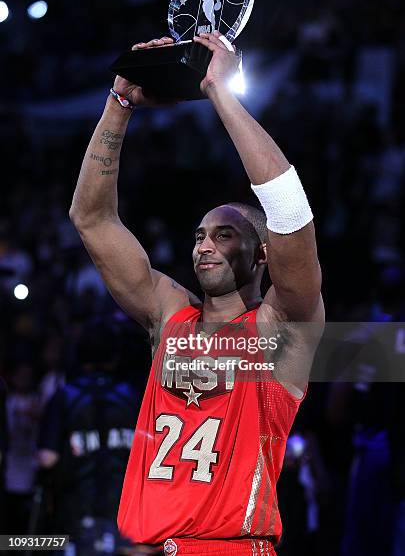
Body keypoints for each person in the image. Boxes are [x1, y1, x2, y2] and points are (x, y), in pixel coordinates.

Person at [69, 31, 324, 555]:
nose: (204, 245)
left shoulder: (280, 330)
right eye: (199, 235)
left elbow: (292, 215)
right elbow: (91, 219)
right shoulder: (170, 316)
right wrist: (119, 103)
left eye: (224, 234)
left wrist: (219, 92)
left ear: (261, 255)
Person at [37, 320, 140, 555]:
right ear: (115, 356)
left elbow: (47, 458)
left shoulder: (65, 397)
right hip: (125, 521)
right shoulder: (132, 396)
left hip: (74, 518)